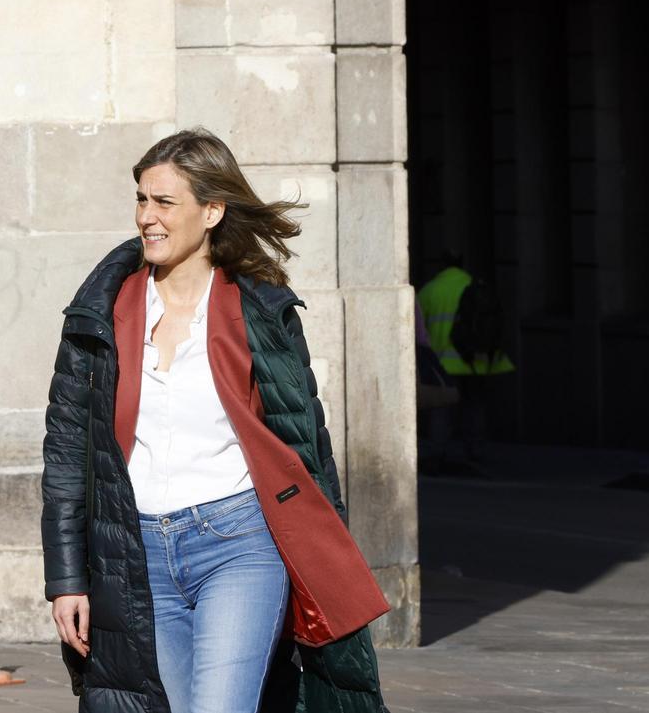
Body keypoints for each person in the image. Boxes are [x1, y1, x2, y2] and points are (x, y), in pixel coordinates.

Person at [40, 128, 390, 713]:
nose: (147, 217)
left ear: (212, 211)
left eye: (164, 202)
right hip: (140, 552)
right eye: (142, 200)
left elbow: (305, 442)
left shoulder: (261, 310)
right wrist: (67, 578)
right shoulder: (99, 314)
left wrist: (323, 559)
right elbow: (67, 455)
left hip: (240, 545)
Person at [416, 255, 514, 461]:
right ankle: (475, 450)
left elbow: (419, 331)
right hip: (475, 362)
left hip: (444, 362)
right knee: (474, 405)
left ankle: (437, 452)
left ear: (442, 267)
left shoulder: (431, 290)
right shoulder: (476, 287)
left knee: (442, 409)